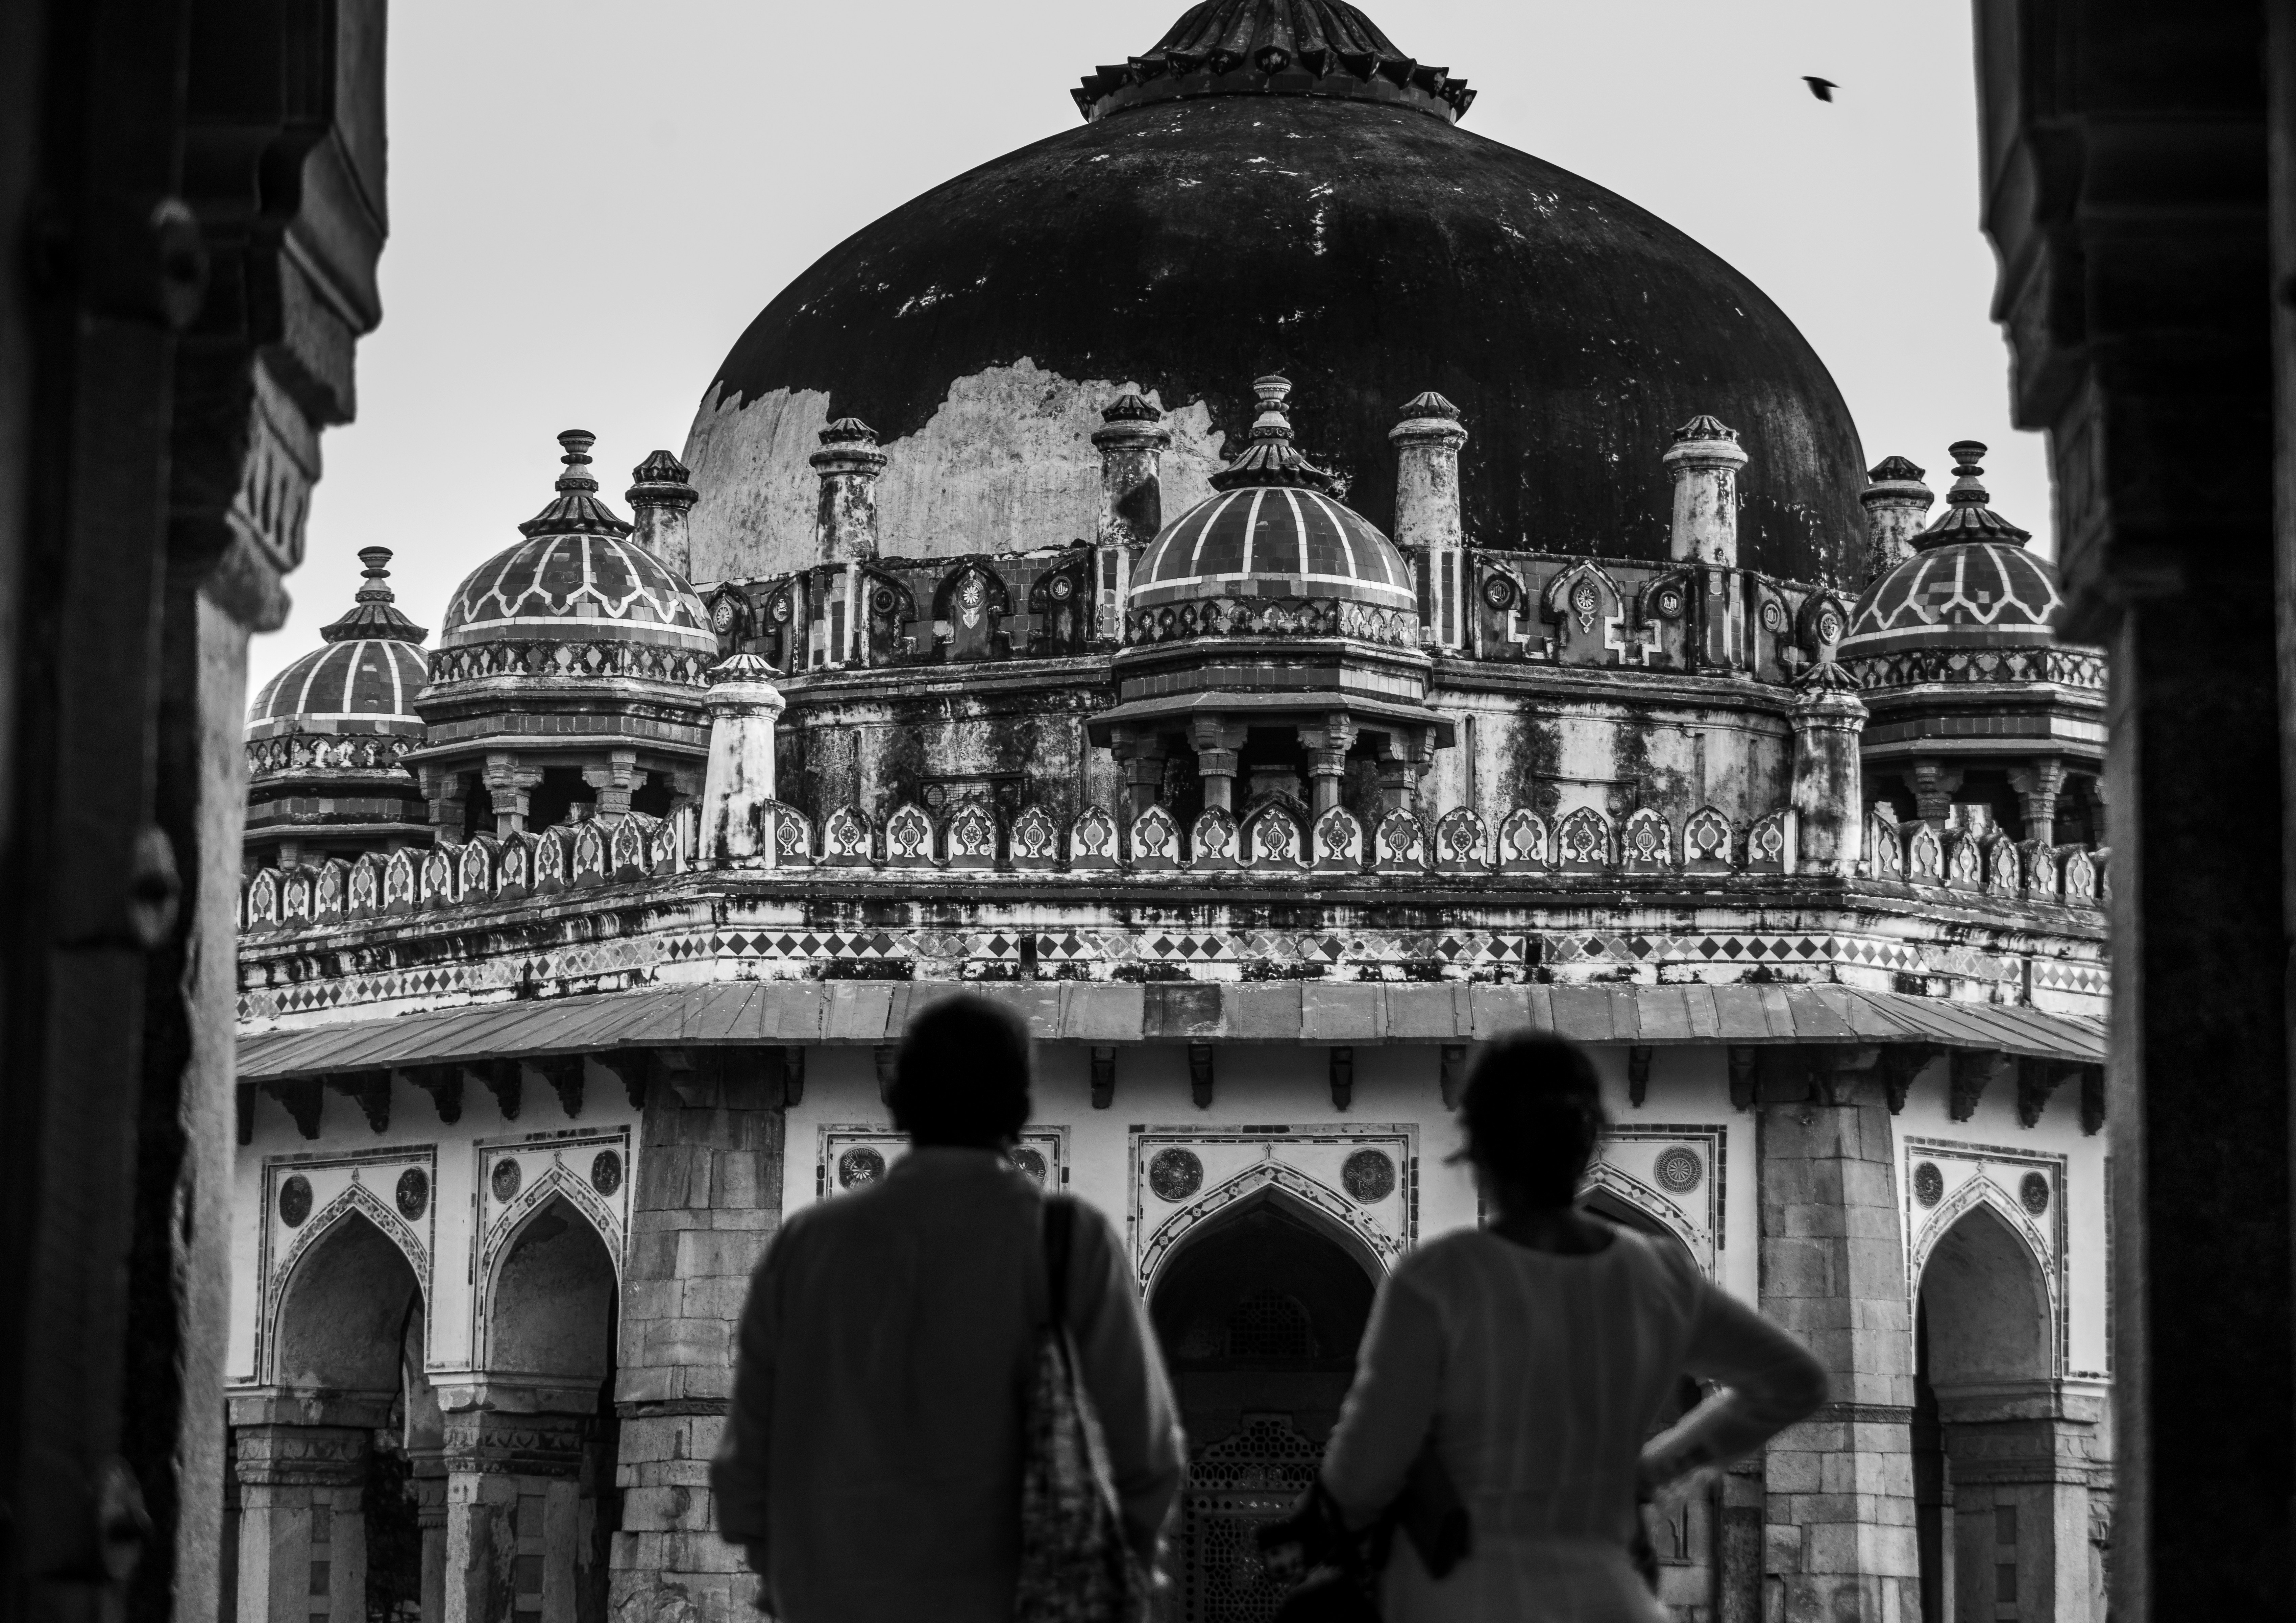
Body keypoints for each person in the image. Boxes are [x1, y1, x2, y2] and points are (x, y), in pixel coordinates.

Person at [1316, 1032, 1828, 1622]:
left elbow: (1361, 1476)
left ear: (1480, 1152)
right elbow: (1795, 1381)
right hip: (1603, 1591)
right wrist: (1654, 1469)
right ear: (1588, 1144)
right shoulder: (1654, 1273)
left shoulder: (1439, 1277)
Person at [712, 994, 1185, 1622]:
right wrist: (1124, 1570)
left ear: (900, 1099)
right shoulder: (1064, 1239)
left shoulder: (807, 1247)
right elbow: (1144, 1451)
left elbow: (746, 1467)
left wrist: (789, 1571)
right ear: (1019, 1107)